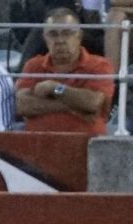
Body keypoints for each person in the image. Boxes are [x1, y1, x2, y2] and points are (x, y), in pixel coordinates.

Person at [15, 7, 113, 135]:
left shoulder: (99, 65)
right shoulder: (33, 65)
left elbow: (92, 103)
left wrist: (55, 88)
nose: (60, 41)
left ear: (79, 36)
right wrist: (71, 106)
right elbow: (23, 106)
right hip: (37, 145)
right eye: (53, 34)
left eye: (67, 33)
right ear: (44, 37)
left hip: (85, 144)